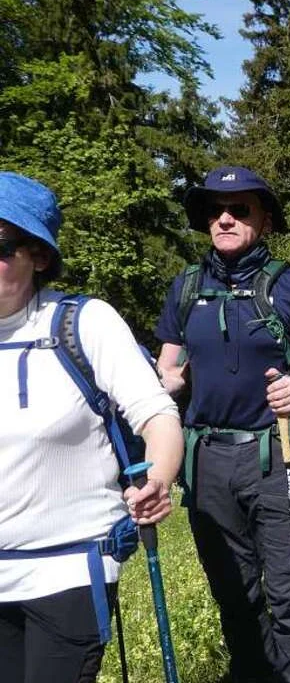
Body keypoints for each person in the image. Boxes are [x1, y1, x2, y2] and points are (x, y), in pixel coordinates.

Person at [155, 166, 290, 683]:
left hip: (273, 455)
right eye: (215, 210)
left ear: (262, 218)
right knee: (233, 593)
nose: (225, 218)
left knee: (288, 588)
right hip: (206, 459)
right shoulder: (188, 286)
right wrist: (166, 383)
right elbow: (166, 369)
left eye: (239, 209)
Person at [0, 172, 183, 681]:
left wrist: (158, 480)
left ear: (37, 256)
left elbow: (158, 417)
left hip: (69, 571)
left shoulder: (83, 324)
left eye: (0, 243)